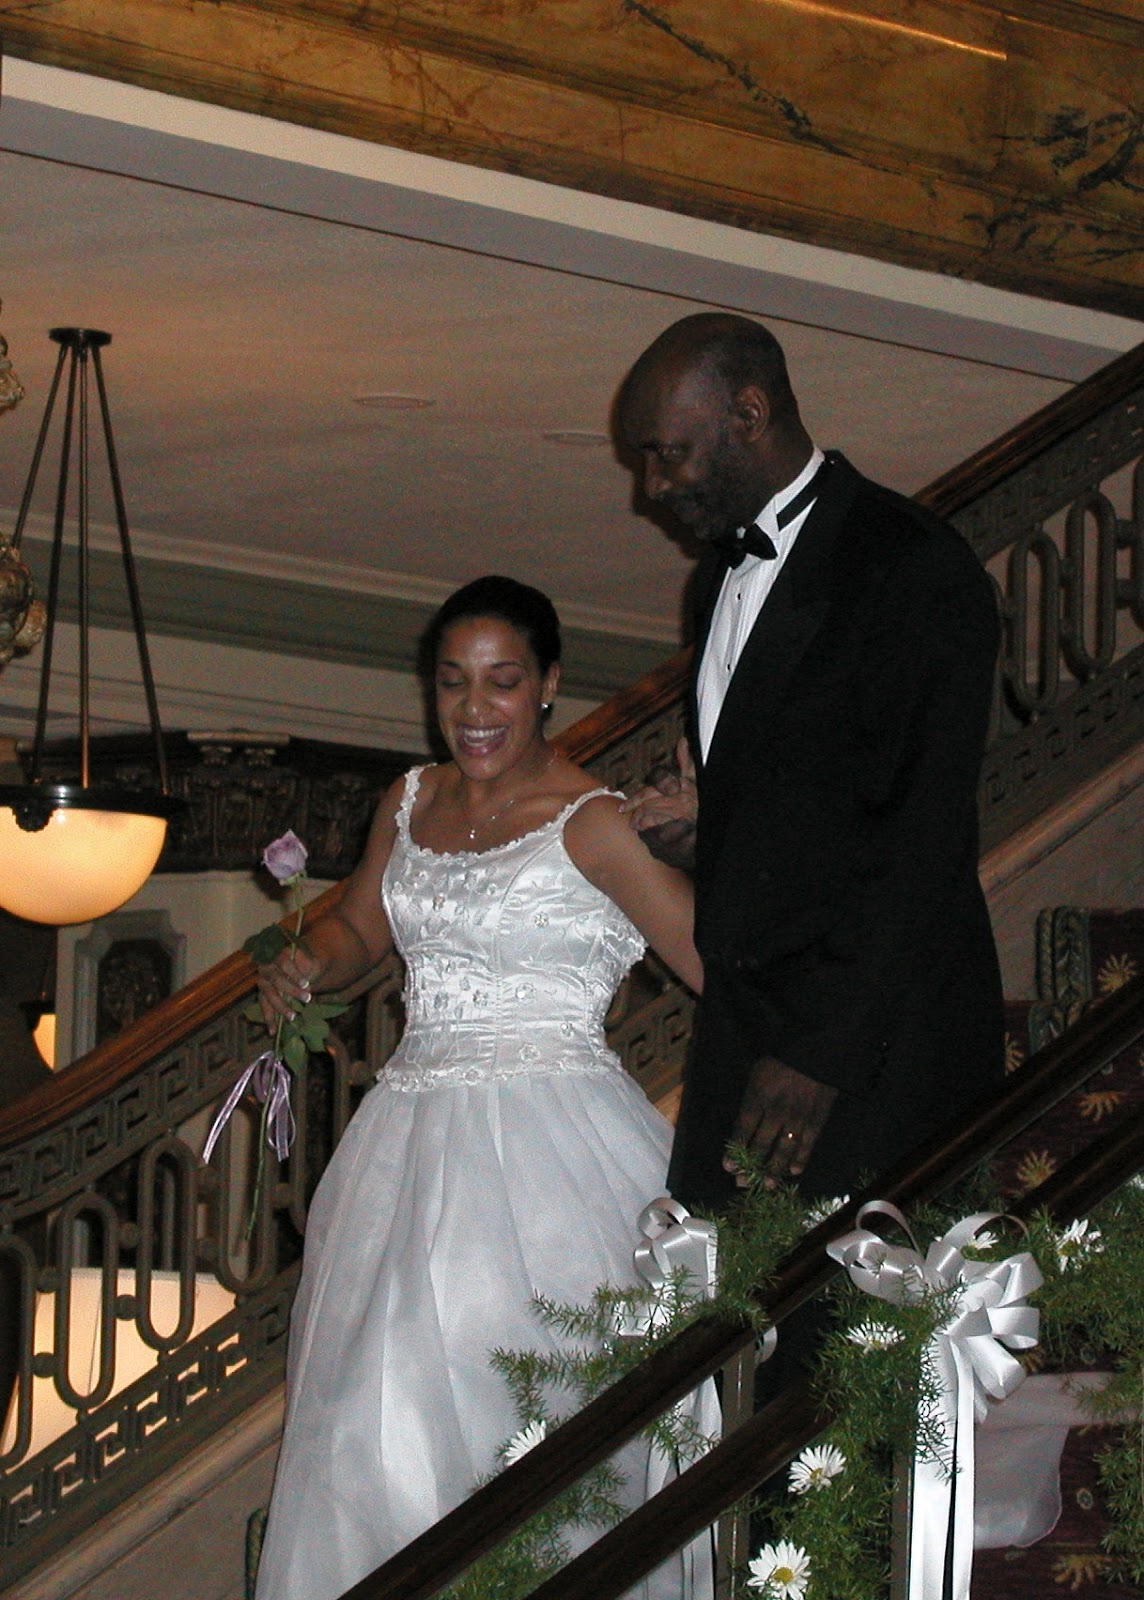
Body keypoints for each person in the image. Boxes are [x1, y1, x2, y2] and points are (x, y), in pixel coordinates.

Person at [252, 575, 714, 1600]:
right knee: (373, 1425)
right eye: (452, 681)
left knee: (528, 1424)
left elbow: (714, 963)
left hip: (553, 1156)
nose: (473, 707)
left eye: (502, 681)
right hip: (404, 1149)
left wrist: (718, 840)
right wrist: (306, 960)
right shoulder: (411, 799)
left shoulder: (596, 822)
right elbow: (359, 923)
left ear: (547, 684)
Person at [619, 312, 1004, 1213]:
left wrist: (821, 1052)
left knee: (860, 1300)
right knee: (725, 1296)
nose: (652, 486)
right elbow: (806, 807)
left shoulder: (911, 564)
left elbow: (921, 836)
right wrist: (709, 840)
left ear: (749, 415)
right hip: (745, 1028)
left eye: (668, 453)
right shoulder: (713, 582)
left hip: (873, 1044)